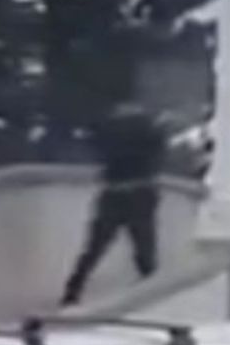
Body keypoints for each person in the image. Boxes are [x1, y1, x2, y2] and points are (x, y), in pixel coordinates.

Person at [61, 103, 169, 306]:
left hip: (114, 191)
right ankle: (151, 293)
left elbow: (94, 144)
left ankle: (72, 292)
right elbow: (159, 149)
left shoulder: (108, 130)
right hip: (141, 190)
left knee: (94, 247)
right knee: (144, 247)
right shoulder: (148, 129)